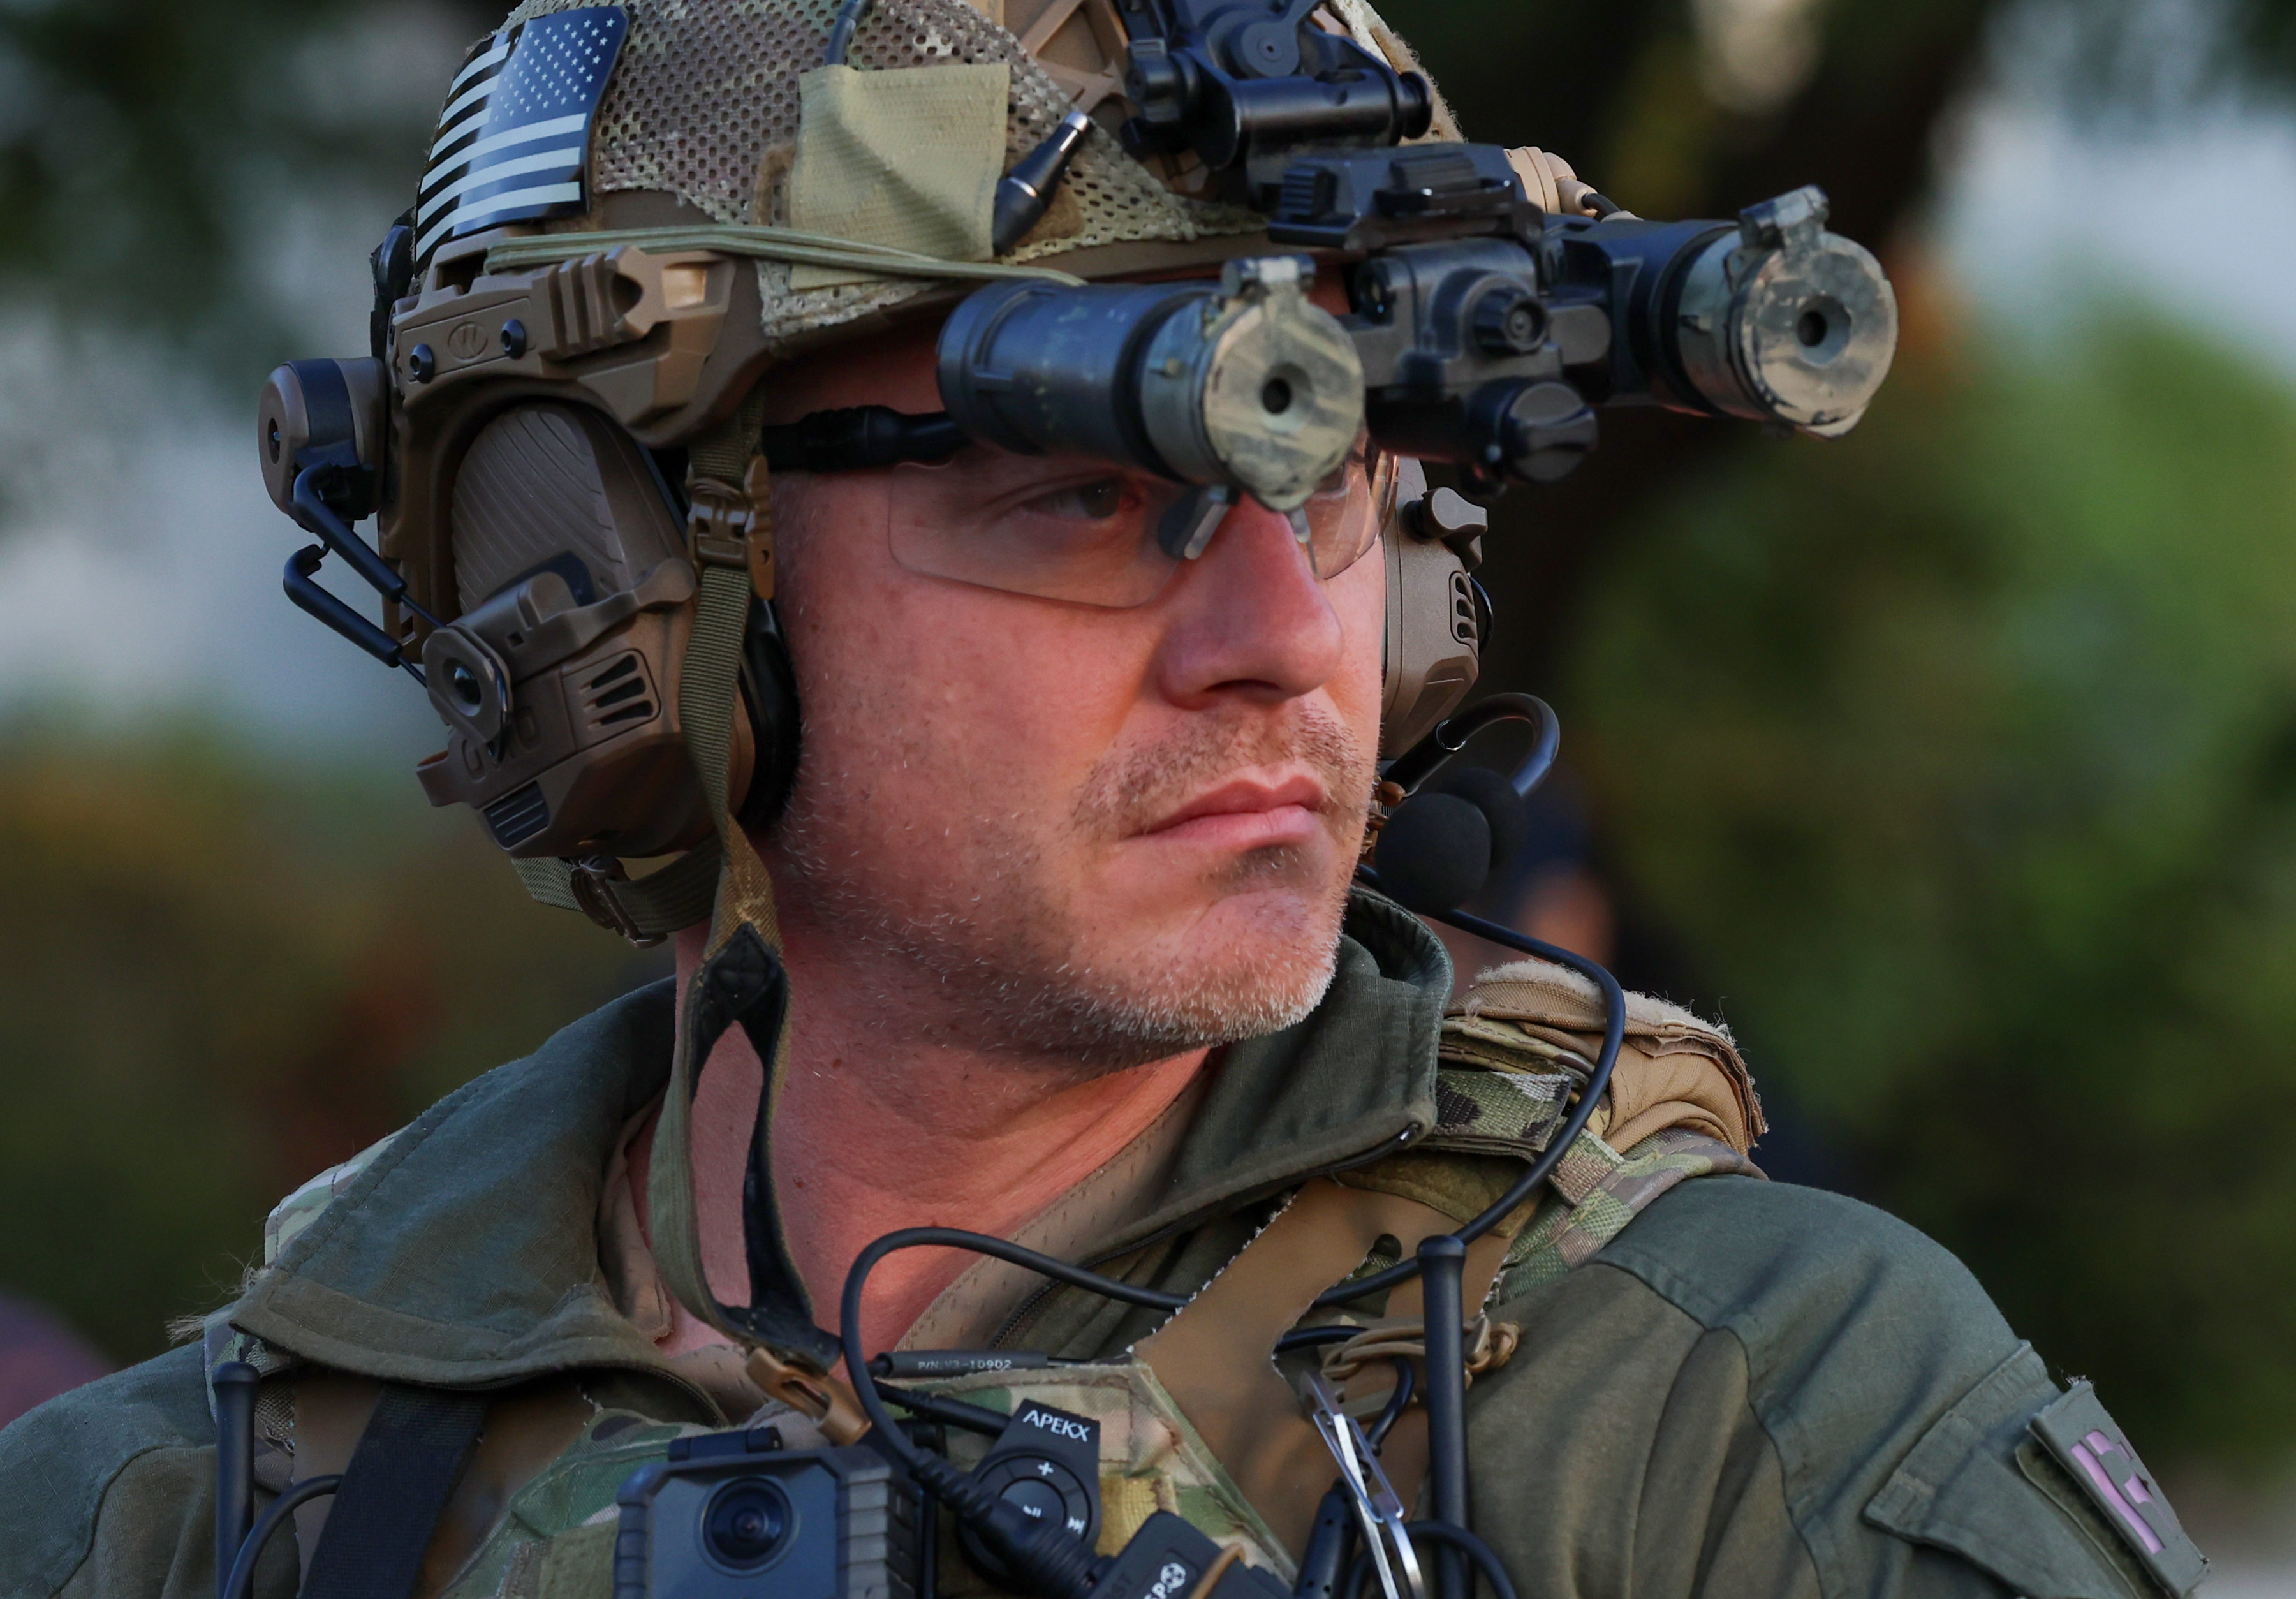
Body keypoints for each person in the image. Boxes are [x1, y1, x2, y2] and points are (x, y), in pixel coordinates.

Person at [0, 3, 2202, 1596]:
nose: (1279, 626)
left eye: (1336, 476)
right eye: (1086, 491)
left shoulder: (1741, 1425)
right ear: (615, 589)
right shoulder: (188, 1511)